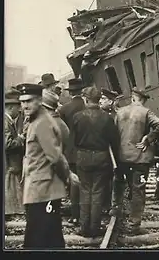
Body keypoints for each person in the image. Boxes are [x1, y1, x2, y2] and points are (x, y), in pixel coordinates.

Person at [16, 83, 80, 249]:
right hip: (40, 189)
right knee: (49, 237)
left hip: (44, 191)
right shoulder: (36, 120)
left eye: (29, 101)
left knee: (39, 239)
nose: (24, 105)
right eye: (22, 102)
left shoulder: (42, 123)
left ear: (39, 101)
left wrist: (67, 176)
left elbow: (55, 157)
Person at [112, 87, 159, 235]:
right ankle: (134, 224)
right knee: (138, 190)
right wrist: (148, 138)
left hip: (122, 157)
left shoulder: (120, 112)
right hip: (140, 159)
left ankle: (116, 211)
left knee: (122, 184)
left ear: (132, 98)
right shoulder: (146, 112)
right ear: (142, 99)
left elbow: (114, 133)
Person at [72, 87, 120, 237]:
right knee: (98, 192)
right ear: (99, 100)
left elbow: (72, 140)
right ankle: (95, 227)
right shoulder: (107, 118)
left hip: (83, 156)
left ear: (86, 99)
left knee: (85, 191)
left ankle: (84, 227)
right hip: (101, 157)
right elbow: (115, 141)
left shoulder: (77, 117)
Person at [58, 78, 86, 225]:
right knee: (87, 183)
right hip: (87, 150)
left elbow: (63, 133)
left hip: (71, 151)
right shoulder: (87, 106)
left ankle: (75, 215)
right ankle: (87, 214)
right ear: (82, 91)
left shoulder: (64, 109)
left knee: (74, 183)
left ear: (71, 93)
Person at [99, 88, 120, 213]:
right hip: (103, 151)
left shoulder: (115, 116)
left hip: (111, 152)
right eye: (101, 98)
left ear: (111, 102)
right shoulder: (101, 114)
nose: (101, 101)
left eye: (104, 99)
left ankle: (109, 204)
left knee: (110, 179)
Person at [4, 88, 25, 217]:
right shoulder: (5, 122)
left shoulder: (8, 121)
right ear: (11, 107)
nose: (20, 110)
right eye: (18, 106)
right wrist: (20, 139)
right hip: (9, 162)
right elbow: (7, 144)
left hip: (11, 163)